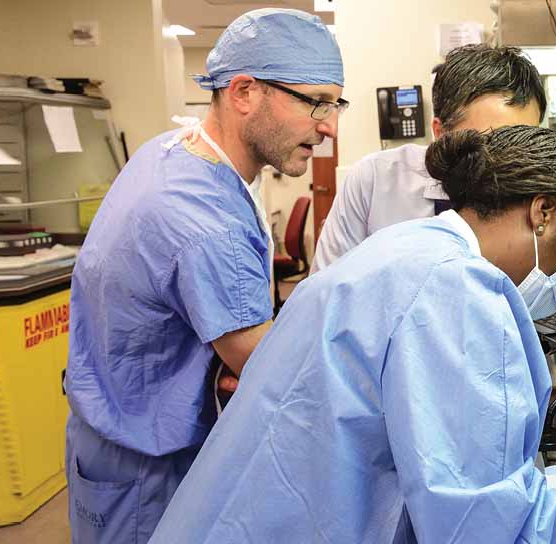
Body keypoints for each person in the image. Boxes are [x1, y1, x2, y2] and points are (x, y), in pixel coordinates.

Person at [150, 126, 556, 544]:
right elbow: (479, 529)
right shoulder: (456, 289)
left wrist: (523, 488)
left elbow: (421, 454)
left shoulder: (407, 247)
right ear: (542, 212)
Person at [63, 9, 345, 542]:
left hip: (111, 434)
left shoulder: (171, 153)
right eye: (315, 102)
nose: (329, 126)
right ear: (244, 92)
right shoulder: (206, 221)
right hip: (149, 467)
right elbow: (271, 371)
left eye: (335, 104)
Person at [311, 44, 547, 272]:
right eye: (492, 144)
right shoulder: (373, 181)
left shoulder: (542, 199)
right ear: (440, 133)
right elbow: (325, 288)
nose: (510, 162)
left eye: (526, 142)